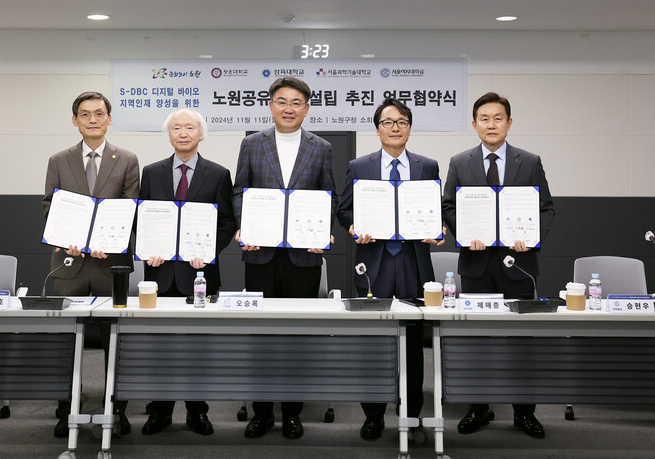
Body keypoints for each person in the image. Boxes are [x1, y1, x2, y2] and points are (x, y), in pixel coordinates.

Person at [442, 92, 555, 438]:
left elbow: (546, 208)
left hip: (518, 265)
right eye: (484, 119)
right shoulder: (459, 162)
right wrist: (465, 234)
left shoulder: (529, 161)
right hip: (476, 266)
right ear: (474, 124)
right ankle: (478, 408)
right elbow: (448, 206)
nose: (491, 125)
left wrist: (532, 238)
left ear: (509, 122)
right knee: (476, 340)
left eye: (498, 118)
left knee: (521, 342)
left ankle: (524, 413)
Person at [232, 76, 337, 440]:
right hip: (260, 255)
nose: (288, 108)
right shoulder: (252, 144)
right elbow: (239, 191)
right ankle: (261, 413)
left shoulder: (321, 147)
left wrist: (322, 231)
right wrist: (244, 226)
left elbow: (329, 195)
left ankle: (292, 412)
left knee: (297, 335)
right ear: (270, 105)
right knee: (260, 335)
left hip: (302, 258)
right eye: (281, 101)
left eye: (296, 102)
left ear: (306, 109)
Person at [337, 98, 444, 441]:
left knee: (412, 345)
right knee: (373, 344)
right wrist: (355, 227)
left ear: (409, 128)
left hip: (413, 261)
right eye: (388, 122)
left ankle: (411, 417)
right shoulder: (359, 166)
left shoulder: (428, 166)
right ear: (377, 129)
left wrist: (439, 229)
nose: (395, 128)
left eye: (402, 122)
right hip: (374, 261)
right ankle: (373, 416)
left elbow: (436, 210)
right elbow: (344, 209)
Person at [42, 91, 139, 437]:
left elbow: (129, 209)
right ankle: (66, 409)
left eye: (99, 113)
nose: (93, 119)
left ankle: (117, 409)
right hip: (69, 263)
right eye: (85, 114)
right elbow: (49, 206)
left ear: (109, 119)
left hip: (110, 266)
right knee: (66, 341)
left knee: (116, 340)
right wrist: (64, 235)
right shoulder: (59, 160)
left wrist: (108, 243)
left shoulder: (127, 159)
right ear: (75, 120)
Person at [138, 108, 236, 436]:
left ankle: (197, 411)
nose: (183, 133)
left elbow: (227, 223)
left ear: (201, 134)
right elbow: (142, 218)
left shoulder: (219, 174)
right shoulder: (151, 173)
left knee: (198, 348)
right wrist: (147, 248)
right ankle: (159, 411)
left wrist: (208, 252)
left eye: (190, 128)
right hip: (160, 274)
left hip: (200, 274)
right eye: (176, 128)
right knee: (159, 348)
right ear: (169, 135)